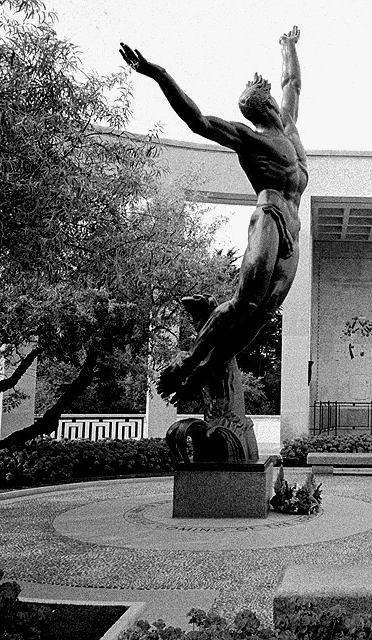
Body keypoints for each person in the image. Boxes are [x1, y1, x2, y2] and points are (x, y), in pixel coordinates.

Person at [119, 27, 308, 405]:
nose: (272, 101)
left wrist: (288, 47)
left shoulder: (289, 128)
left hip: (293, 228)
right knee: (246, 303)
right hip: (269, 216)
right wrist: (159, 75)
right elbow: (198, 121)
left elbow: (293, 84)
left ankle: (206, 370)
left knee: (265, 312)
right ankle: (191, 360)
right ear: (263, 106)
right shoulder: (248, 137)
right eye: (264, 101)